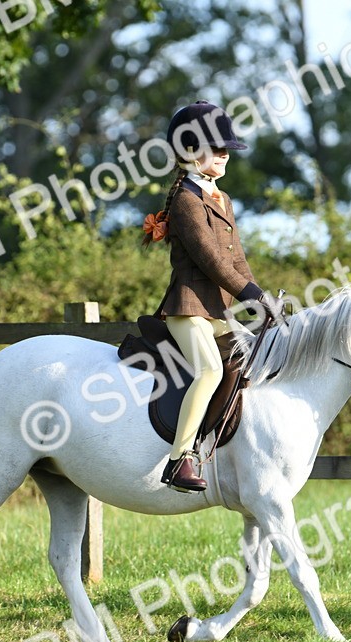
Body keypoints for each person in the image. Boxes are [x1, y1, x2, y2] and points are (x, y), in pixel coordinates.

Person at [142, 100, 283, 493]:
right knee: (209, 371)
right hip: (188, 309)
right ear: (189, 151)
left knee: (254, 361)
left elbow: (237, 260)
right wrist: (253, 295)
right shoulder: (187, 201)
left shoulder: (222, 198)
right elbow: (211, 262)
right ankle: (179, 461)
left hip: (217, 312)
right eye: (215, 148)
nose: (224, 155)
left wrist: (262, 302)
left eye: (226, 149)